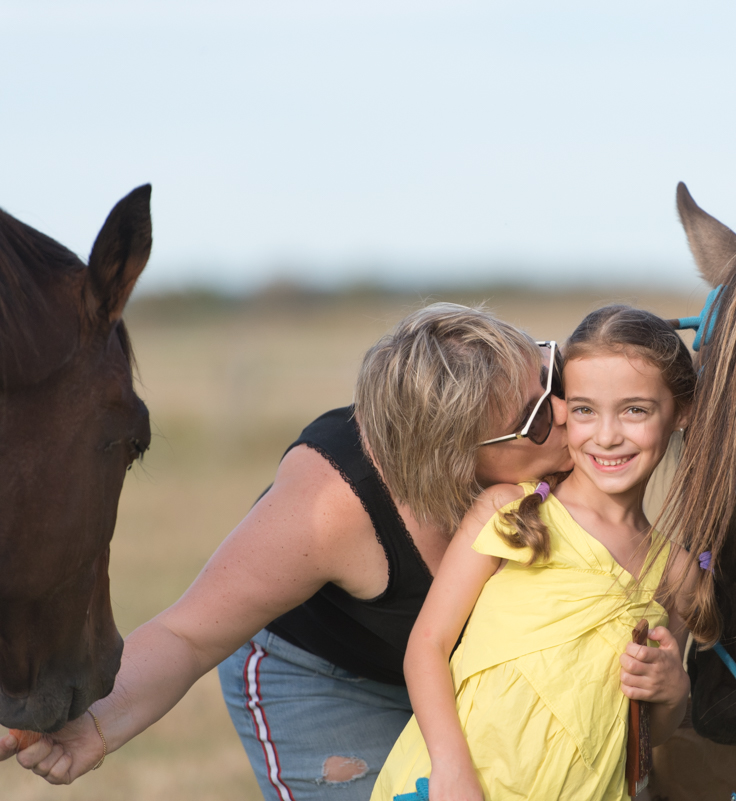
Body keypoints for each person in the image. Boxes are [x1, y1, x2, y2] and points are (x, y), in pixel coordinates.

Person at [2, 303, 686, 801]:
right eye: (538, 417)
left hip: (466, 681)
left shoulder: (553, 441)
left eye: (552, 373)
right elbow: (187, 634)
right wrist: (96, 725)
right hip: (321, 674)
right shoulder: (330, 508)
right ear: (457, 459)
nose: (570, 413)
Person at [371, 305, 698, 801]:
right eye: (584, 409)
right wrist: (451, 768)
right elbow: (428, 646)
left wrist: (674, 692)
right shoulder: (510, 511)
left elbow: (645, 735)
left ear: (681, 412)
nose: (606, 435)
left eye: (635, 410)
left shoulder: (677, 574)